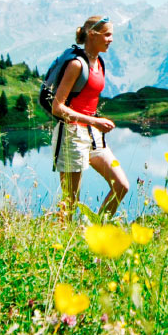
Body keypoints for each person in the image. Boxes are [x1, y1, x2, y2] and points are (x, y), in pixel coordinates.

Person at [50, 15, 129, 217]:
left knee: (121, 186)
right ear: (92, 35)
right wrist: (94, 120)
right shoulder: (76, 64)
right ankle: (63, 235)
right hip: (71, 134)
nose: (111, 39)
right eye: (107, 35)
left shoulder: (99, 62)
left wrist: (94, 122)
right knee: (70, 202)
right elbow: (57, 108)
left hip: (93, 135)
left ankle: (97, 229)